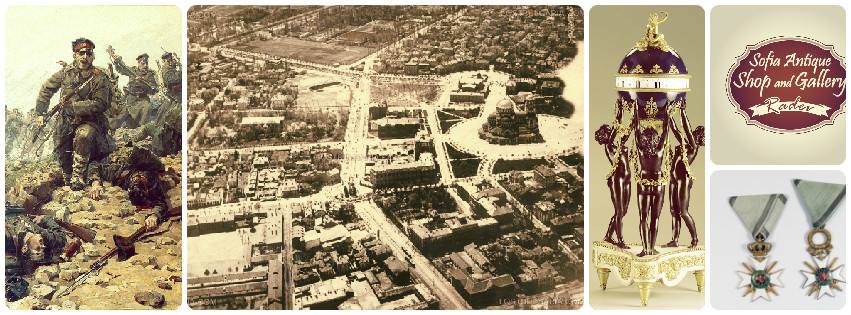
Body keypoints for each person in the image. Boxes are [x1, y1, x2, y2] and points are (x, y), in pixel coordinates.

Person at [35, 38, 114, 191]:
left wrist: (73, 107)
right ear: (75, 55)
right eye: (81, 53)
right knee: (60, 142)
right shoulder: (66, 73)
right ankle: (68, 175)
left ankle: (78, 176)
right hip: (66, 121)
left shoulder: (100, 77)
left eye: (88, 53)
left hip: (91, 121)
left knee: (83, 136)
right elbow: (46, 89)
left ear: (92, 56)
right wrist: (40, 113)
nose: (84, 56)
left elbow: (100, 104)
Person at [106, 46, 158, 128]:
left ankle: (143, 129)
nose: (145, 65)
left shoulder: (150, 74)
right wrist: (116, 61)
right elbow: (121, 69)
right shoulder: (132, 71)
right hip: (131, 99)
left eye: (146, 63)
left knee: (147, 108)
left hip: (143, 99)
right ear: (138, 63)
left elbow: (153, 89)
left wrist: (142, 82)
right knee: (122, 116)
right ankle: (109, 127)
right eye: (143, 63)